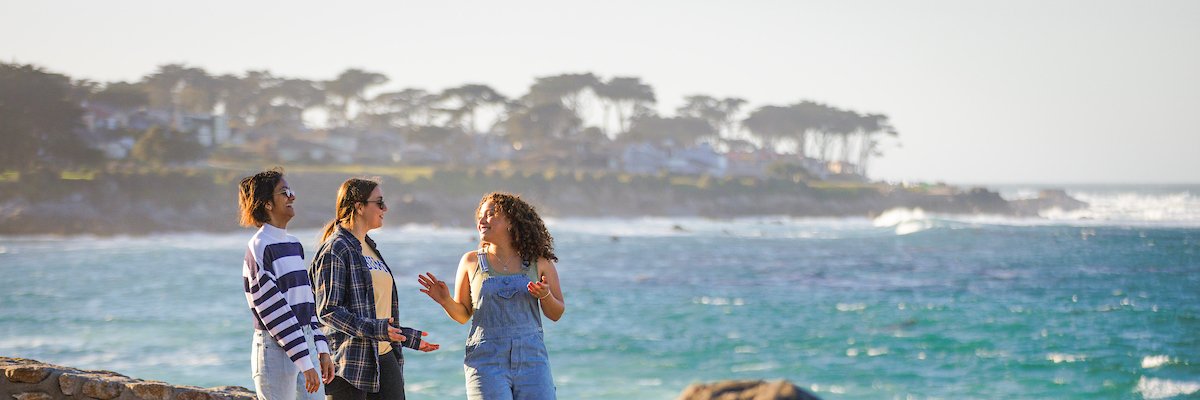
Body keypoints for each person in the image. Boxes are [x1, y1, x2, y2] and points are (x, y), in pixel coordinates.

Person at [418, 192, 564, 400]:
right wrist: (445, 300)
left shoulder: (539, 262)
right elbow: (463, 315)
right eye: (481, 215)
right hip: (485, 363)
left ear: (512, 222)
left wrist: (545, 295)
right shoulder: (470, 262)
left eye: (492, 213)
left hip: (533, 362)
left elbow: (557, 313)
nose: (482, 219)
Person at [309, 178, 439, 400]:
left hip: (385, 358)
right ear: (359, 206)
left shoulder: (369, 247)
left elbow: (375, 312)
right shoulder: (336, 249)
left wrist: (408, 337)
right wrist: (377, 330)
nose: (385, 208)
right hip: (350, 365)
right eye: (379, 203)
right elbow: (328, 311)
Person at [237, 169, 334, 400]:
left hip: (304, 341)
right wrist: (304, 360)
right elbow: (273, 312)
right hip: (274, 349)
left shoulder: (294, 245)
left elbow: (307, 303)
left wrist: (321, 349)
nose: (292, 196)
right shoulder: (259, 247)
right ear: (267, 204)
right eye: (285, 192)